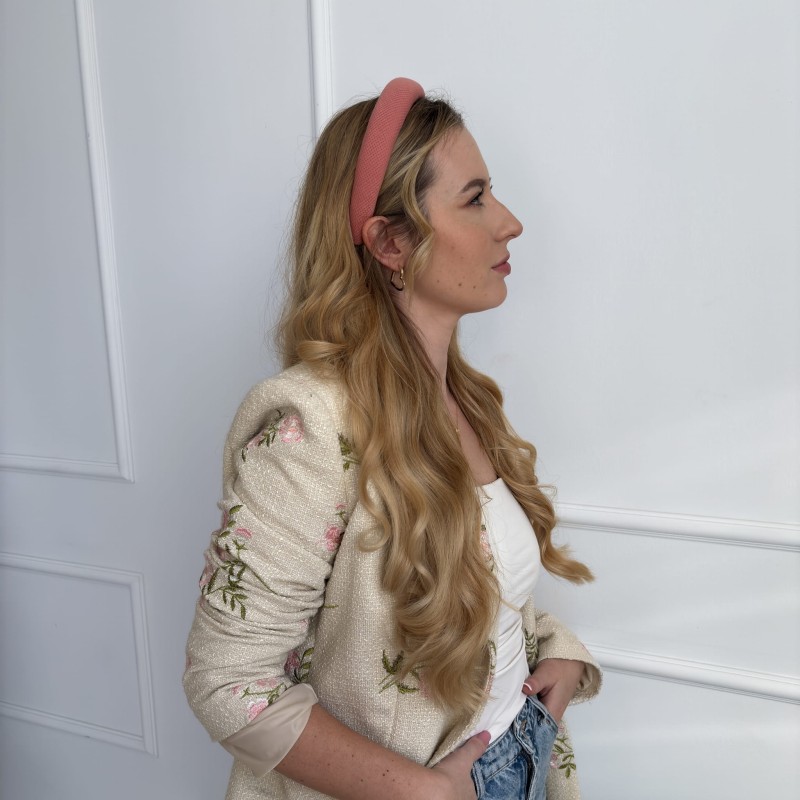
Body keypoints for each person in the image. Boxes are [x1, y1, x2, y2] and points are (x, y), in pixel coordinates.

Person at [184, 77, 601, 800]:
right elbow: (228, 682)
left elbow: (474, 585)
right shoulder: (310, 427)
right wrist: (425, 793)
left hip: (522, 759)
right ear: (390, 241)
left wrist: (555, 657)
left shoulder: (466, 400)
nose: (509, 223)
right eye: (475, 198)